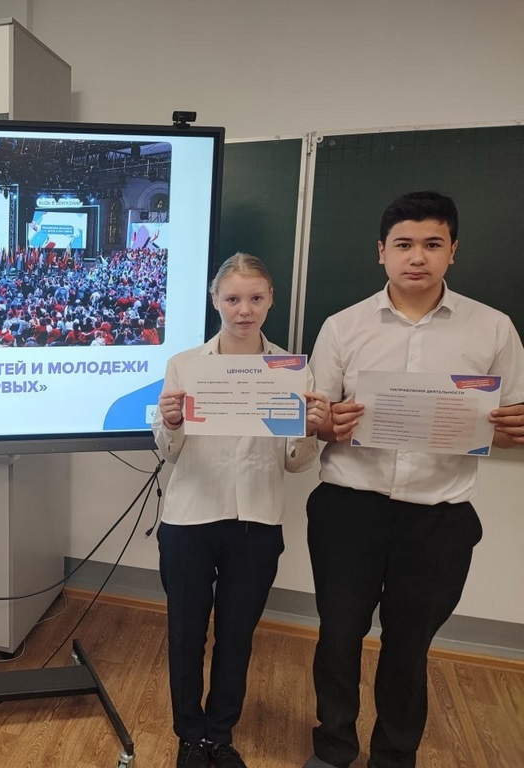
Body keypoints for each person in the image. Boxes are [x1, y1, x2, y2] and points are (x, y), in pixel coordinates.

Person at [303, 191, 524, 768]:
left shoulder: (493, 328)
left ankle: (396, 755)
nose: (417, 257)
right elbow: (313, 417)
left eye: (432, 244)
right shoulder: (342, 326)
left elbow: (511, 420)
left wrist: (513, 430)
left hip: (438, 516)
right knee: (338, 635)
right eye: (403, 244)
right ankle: (333, 747)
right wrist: (327, 424)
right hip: (349, 508)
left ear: (453, 250)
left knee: (409, 645)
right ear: (381, 252)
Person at [154, 253, 328, 768]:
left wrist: (308, 431)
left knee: (236, 636)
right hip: (189, 518)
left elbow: (295, 463)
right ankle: (189, 735)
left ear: (271, 300)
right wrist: (171, 422)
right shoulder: (185, 364)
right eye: (232, 298)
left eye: (255, 298)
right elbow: (168, 451)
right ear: (215, 301)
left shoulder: (293, 370)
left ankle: (219, 734)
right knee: (186, 634)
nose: (244, 309)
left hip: (257, 521)